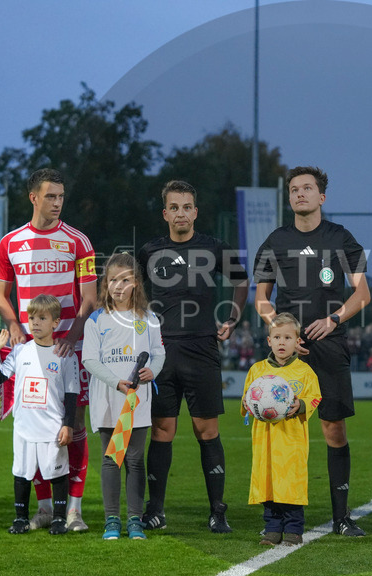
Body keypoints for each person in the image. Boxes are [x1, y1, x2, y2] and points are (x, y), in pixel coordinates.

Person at [253, 166, 371, 536]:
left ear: (321, 197)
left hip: (330, 345)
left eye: (307, 188)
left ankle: (341, 517)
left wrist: (334, 319)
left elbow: (362, 293)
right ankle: (279, 516)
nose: (300, 194)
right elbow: (261, 298)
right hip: (288, 353)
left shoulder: (340, 237)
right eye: (294, 189)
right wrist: (280, 329)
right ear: (289, 197)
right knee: (281, 429)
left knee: (334, 429)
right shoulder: (275, 241)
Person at [136, 180, 248, 533]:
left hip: (202, 349)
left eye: (187, 207)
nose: (181, 213)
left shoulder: (213, 247)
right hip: (161, 353)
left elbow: (241, 280)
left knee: (207, 430)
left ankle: (217, 511)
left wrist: (232, 318)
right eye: (174, 207)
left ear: (195, 212)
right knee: (162, 430)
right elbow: (130, 288)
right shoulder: (149, 251)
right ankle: (155, 510)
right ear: (165, 213)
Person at [0, 168, 96, 531]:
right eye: (50, 196)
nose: (57, 203)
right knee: (32, 423)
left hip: (68, 350)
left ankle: (74, 510)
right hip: (28, 350)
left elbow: (89, 298)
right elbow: (1, 297)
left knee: (74, 424)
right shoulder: (10, 242)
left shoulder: (78, 241)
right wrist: (13, 325)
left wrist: (73, 335)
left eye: (61, 197)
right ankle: (43, 508)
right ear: (33, 197)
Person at [83, 253, 165, 540]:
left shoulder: (148, 318)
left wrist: (153, 371)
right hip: (107, 398)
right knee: (111, 459)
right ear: (106, 283)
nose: (118, 286)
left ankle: (134, 520)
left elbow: (158, 353)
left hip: (137, 400)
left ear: (136, 283)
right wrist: (115, 382)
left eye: (125, 280)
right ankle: (111, 520)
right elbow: (89, 360)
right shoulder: (96, 319)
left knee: (134, 459)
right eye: (113, 280)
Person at [0, 294, 78, 536]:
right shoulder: (20, 351)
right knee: (21, 473)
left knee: (57, 473)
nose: (35, 323)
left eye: (42, 318)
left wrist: (68, 425)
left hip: (52, 427)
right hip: (24, 427)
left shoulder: (65, 354)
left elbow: (72, 393)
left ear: (55, 322)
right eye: (31, 318)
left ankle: (59, 518)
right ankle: (20, 518)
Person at [241, 313, 322, 546]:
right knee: (267, 482)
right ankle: (272, 528)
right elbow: (246, 399)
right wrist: (247, 404)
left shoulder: (304, 372)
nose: (282, 342)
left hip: (291, 440)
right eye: (277, 337)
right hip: (264, 440)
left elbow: (315, 397)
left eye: (288, 337)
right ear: (269, 341)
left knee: (291, 482)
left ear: (298, 342)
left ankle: (294, 529)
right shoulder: (257, 370)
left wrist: (301, 405)